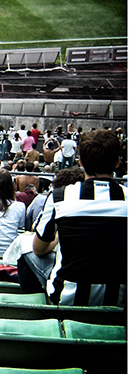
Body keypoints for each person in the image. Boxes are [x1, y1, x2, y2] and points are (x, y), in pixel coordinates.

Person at [19, 130, 126, 306]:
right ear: (117, 162)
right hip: (120, 301)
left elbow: (38, 249)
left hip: (67, 299)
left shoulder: (60, 196)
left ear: (81, 161)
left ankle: (38, 314)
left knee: (24, 250)